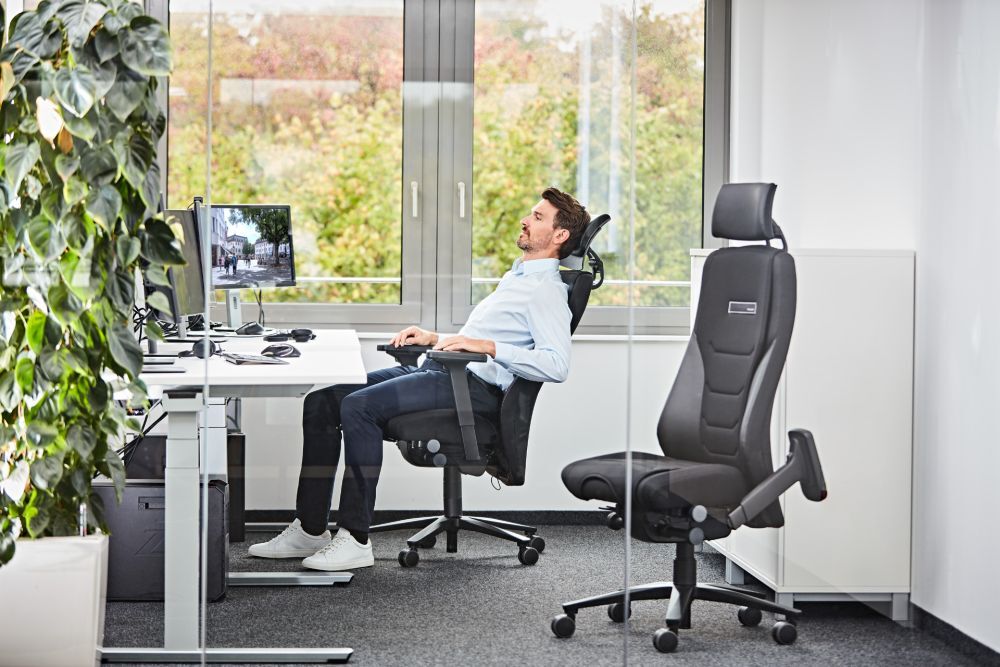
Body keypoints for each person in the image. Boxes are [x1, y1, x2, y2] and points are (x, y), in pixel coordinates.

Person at [249, 187, 590, 571]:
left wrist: (491, 347)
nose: (526, 221)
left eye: (538, 218)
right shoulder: (519, 277)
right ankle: (309, 531)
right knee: (323, 401)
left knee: (357, 407)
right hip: (443, 370)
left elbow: (556, 364)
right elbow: (470, 343)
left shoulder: (545, 290)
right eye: (532, 213)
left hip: (471, 390)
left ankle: (355, 539)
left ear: (560, 236)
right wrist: (434, 338)